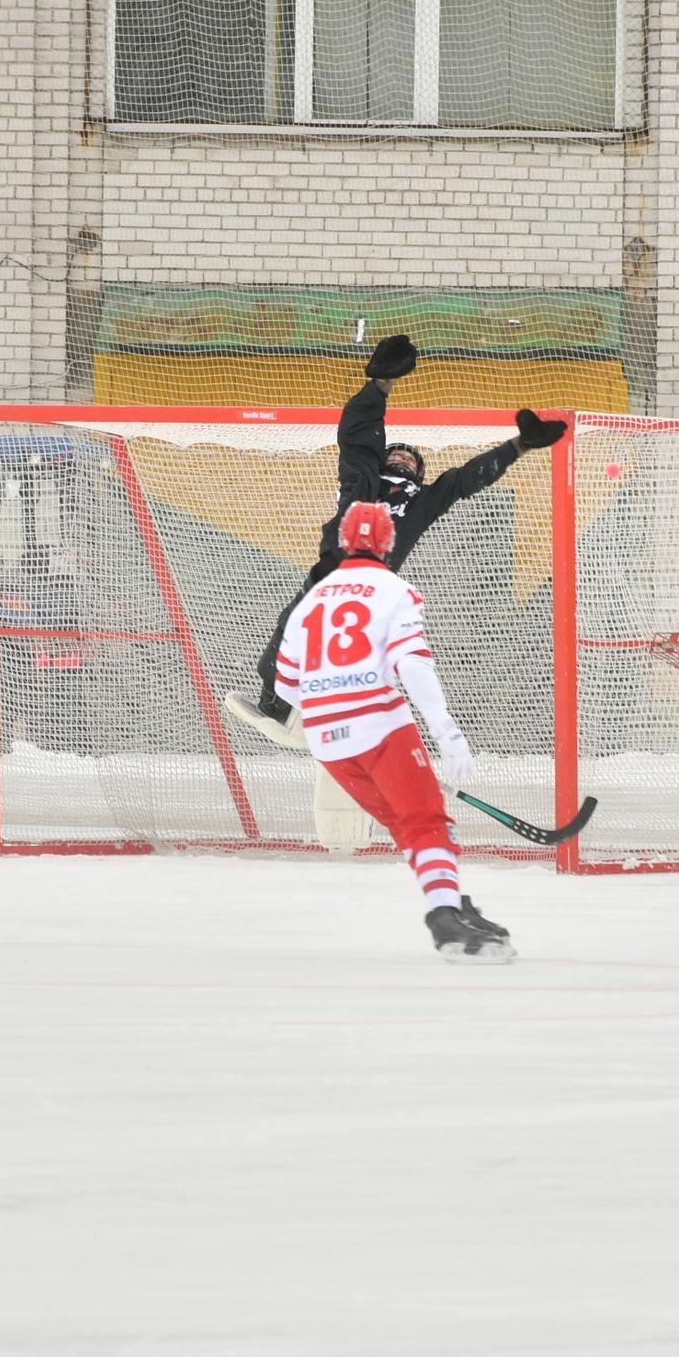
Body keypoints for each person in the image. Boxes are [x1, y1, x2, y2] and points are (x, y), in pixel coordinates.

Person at [227, 331, 569, 746]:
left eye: (411, 458)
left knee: (362, 657)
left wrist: (517, 445)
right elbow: (356, 435)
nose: (403, 457)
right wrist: (380, 383)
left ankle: (357, 722)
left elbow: (466, 479)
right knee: (290, 630)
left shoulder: (423, 500)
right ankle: (275, 703)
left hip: (375, 588)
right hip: (330, 574)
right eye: (397, 453)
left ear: (419, 473)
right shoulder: (362, 479)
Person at [274, 498, 512, 961]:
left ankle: (453, 902)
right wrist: (446, 734)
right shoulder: (393, 589)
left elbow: (287, 686)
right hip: (380, 726)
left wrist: (332, 721)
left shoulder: (309, 603)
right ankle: (445, 922)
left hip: (327, 739)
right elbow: (412, 664)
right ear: (388, 541)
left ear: (344, 540)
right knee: (425, 821)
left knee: (407, 824)